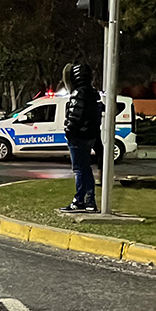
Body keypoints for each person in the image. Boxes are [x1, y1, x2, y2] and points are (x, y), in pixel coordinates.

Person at [61, 64, 102, 212]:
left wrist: (69, 130)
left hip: (78, 136)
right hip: (90, 135)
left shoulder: (78, 93)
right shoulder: (93, 93)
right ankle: (89, 200)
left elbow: (74, 116)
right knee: (86, 168)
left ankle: (80, 200)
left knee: (79, 169)